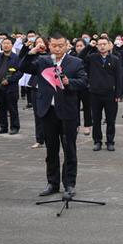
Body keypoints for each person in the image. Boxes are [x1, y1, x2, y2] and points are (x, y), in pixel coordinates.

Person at [20, 32, 88, 199]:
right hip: (47, 111)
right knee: (51, 150)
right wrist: (32, 51)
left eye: (61, 45)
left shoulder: (76, 62)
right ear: (49, 45)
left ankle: (70, 184)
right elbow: (23, 67)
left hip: (67, 112)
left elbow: (84, 82)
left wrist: (68, 82)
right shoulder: (42, 61)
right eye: (54, 45)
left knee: (69, 149)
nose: (57, 49)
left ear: (67, 46)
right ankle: (52, 183)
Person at [82, 36, 123, 152]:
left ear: (109, 45)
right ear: (97, 45)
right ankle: (97, 141)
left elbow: (119, 78)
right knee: (96, 119)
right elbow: (80, 58)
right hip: (95, 93)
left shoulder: (115, 59)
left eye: (104, 43)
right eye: (100, 44)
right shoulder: (92, 58)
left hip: (110, 94)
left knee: (110, 119)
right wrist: (89, 46)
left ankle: (110, 141)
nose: (102, 46)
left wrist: (118, 94)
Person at [19, 36, 48, 148]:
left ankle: (51, 136)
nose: (39, 44)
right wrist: (31, 51)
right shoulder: (33, 55)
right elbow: (21, 63)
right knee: (38, 114)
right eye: (37, 42)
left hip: (49, 87)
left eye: (41, 42)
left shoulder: (52, 55)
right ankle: (40, 139)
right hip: (36, 86)